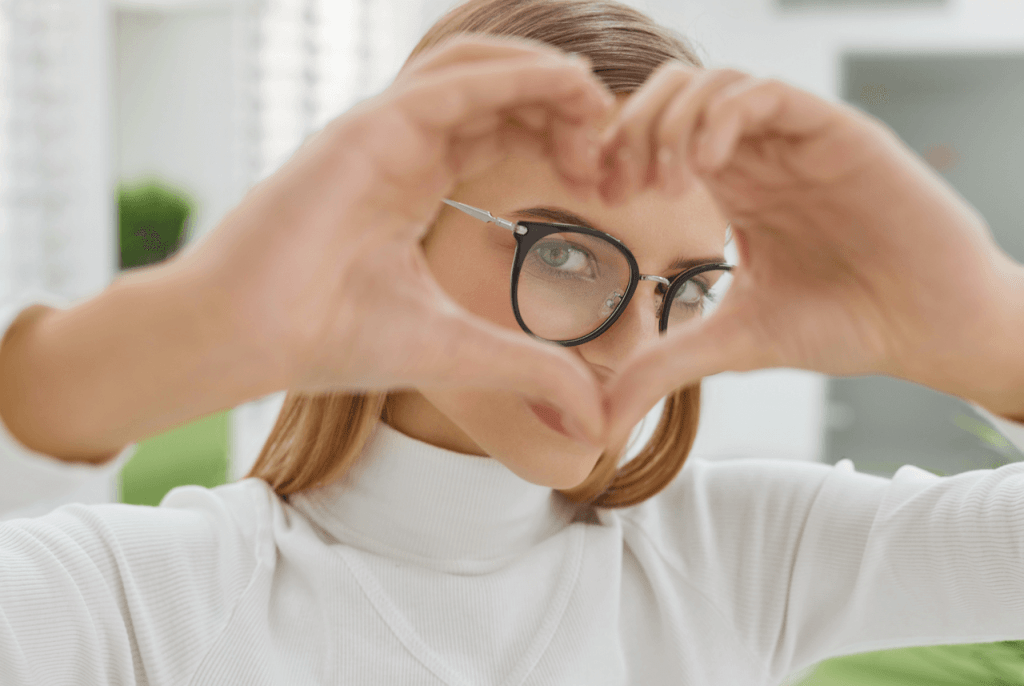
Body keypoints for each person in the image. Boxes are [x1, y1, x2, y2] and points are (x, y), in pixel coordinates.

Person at [1, 0, 1023, 683]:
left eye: (684, 286)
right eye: (569, 255)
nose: (631, 347)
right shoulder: (143, 599)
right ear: (405, 227)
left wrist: (983, 331)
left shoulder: (739, 554)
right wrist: (181, 334)